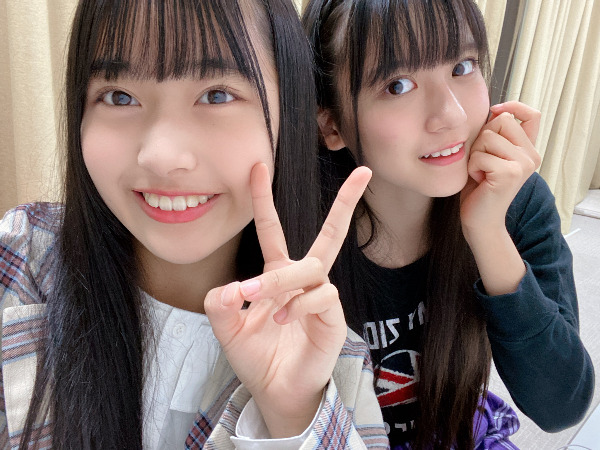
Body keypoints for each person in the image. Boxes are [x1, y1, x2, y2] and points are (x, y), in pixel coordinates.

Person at [0, 0, 390, 448]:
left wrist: (292, 413)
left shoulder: (329, 356)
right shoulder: (20, 264)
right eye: (119, 96)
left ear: (292, 111)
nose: (162, 156)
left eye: (216, 95)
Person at [302, 0, 595, 448]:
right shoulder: (297, 224)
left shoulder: (516, 200)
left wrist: (488, 233)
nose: (453, 115)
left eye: (463, 66)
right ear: (332, 124)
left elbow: (561, 405)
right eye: (398, 85)